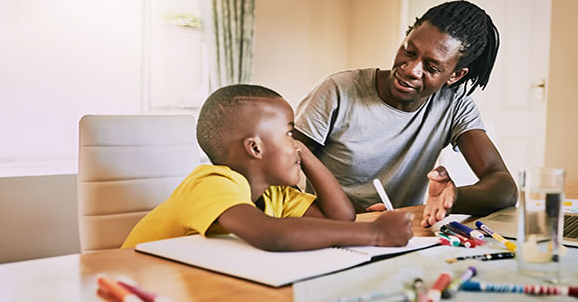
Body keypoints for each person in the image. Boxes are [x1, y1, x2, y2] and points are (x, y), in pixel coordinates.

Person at [294, 0, 518, 227]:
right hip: (329, 227)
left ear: (455, 75)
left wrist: (454, 199)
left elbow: (505, 188)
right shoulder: (338, 91)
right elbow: (274, 174)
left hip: (399, 235)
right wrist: (348, 215)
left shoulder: (455, 107)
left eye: (431, 68)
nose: (411, 69)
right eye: (409, 51)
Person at [121, 84, 414, 251]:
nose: (297, 142)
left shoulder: (275, 195)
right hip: (135, 287)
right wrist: (375, 235)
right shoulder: (211, 182)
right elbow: (272, 234)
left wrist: (303, 154)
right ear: (255, 148)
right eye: (289, 133)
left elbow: (341, 217)